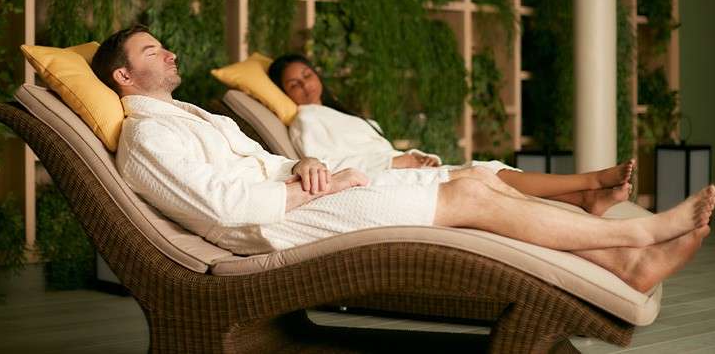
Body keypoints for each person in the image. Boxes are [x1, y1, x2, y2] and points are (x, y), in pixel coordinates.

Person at [91, 26, 715, 294]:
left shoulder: (192, 118)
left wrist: (301, 170)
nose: (169, 53)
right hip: (275, 230)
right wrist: (309, 189)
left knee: (481, 188)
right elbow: (228, 211)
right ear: (124, 74)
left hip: (297, 199)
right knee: (472, 196)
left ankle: (622, 261)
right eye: (154, 50)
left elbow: (263, 170)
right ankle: (641, 234)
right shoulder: (148, 140)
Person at [269, 53, 634, 216]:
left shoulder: (335, 112)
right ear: (284, 92)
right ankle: (591, 181)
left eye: (307, 75)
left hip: (396, 170)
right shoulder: (306, 121)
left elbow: (371, 148)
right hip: (380, 181)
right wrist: (397, 161)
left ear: (318, 74)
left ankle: (583, 199)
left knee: (485, 171)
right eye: (293, 83)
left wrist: (412, 156)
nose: (304, 85)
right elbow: (330, 167)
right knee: (484, 173)